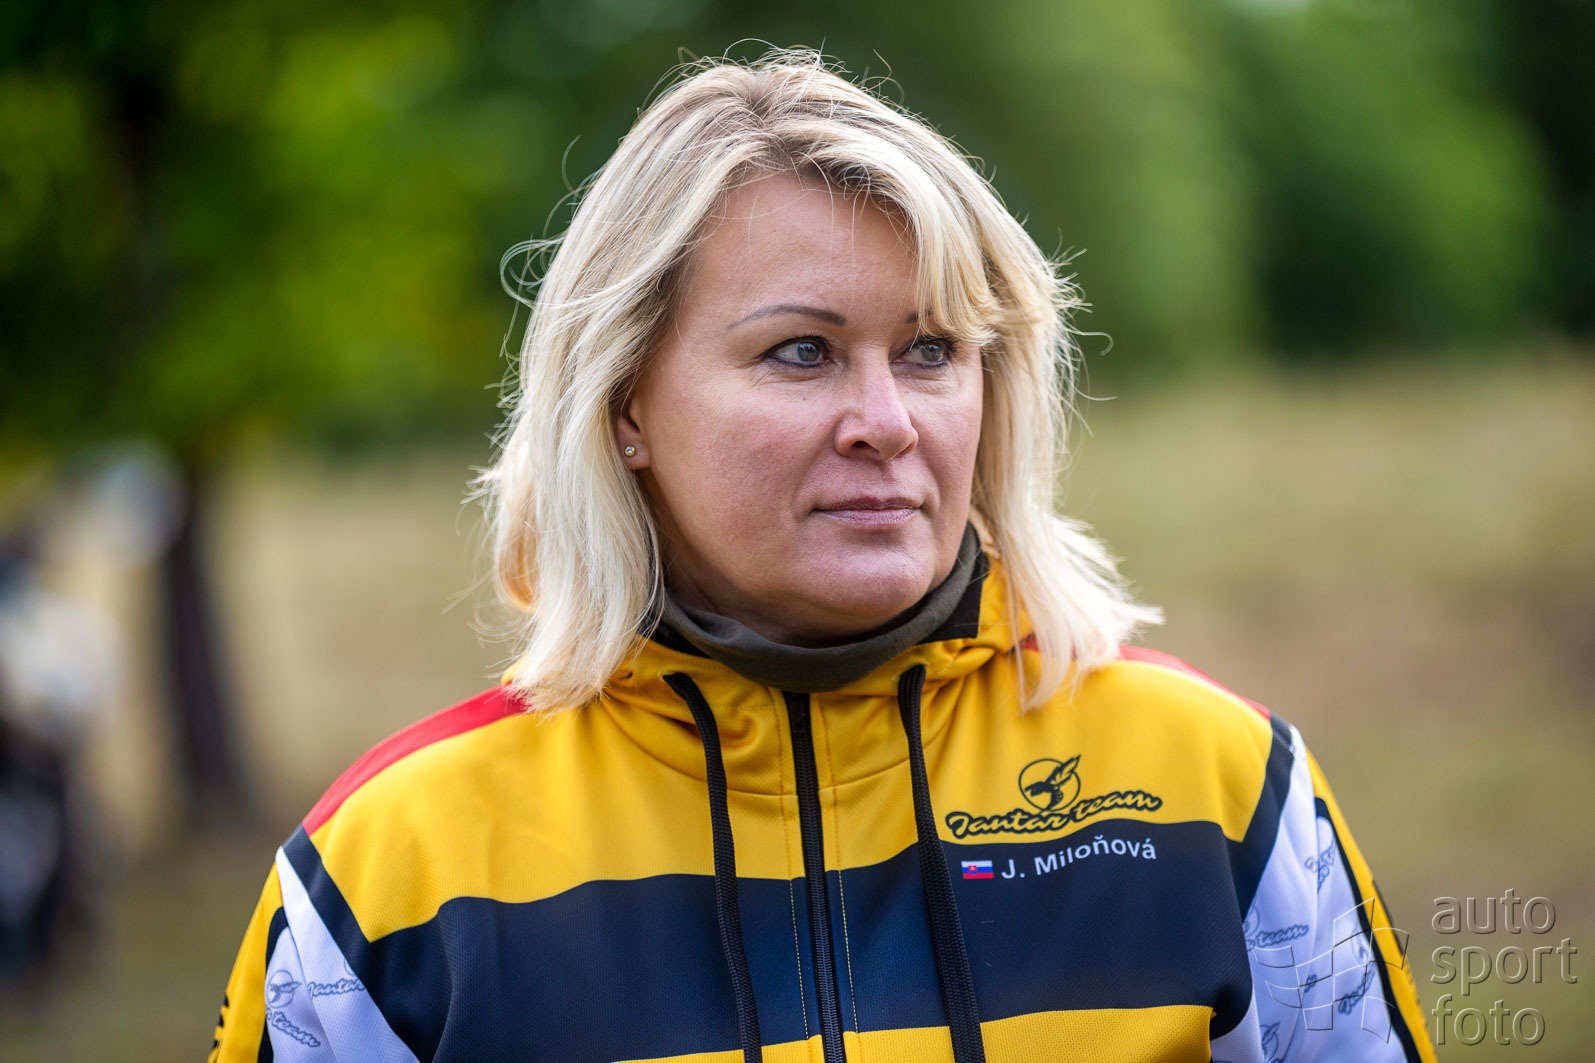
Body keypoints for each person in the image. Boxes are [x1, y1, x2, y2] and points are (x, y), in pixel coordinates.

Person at [210, 49, 1436, 1063]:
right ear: (623, 402)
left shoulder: (1215, 787)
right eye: (800, 351)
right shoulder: (393, 870)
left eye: (929, 350)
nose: (886, 422)